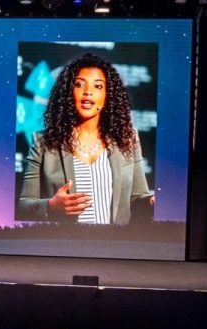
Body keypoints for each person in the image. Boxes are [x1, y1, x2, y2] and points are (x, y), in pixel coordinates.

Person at [15, 53, 155, 225]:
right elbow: (24, 205)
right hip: (64, 246)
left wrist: (151, 201)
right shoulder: (43, 142)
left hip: (116, 247)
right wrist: (51, 206)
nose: (88, 91)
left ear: (107, 96)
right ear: (68, 92)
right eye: (79, 84)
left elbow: (137, 197)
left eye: (98, 86)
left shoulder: (127, 139)